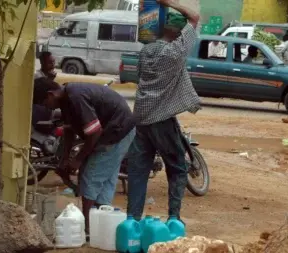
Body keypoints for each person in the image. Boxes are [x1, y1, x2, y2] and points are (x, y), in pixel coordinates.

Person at [127, 0, 201, 222]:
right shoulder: (174, 53)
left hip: (141, 119)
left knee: (138, 172)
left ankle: (132, 220)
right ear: (177, 33)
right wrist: (168, 2)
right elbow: (194, 17)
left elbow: (140, 76)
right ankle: (174, 219)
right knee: (178, 168)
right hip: (161, 119)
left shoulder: (146, 51)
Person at [33, 77, 136, 238]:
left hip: (118, 131)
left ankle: (89, 229)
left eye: (44, 103)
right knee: (104, 178)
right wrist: (65, 158)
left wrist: (78, 160)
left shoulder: (76, 96)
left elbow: (94, 133)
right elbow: (69, 130)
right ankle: (101, 224)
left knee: (90, 175)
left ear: (50, 94)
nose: (46, 107)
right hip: (119, 130)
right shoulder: (67, 98)